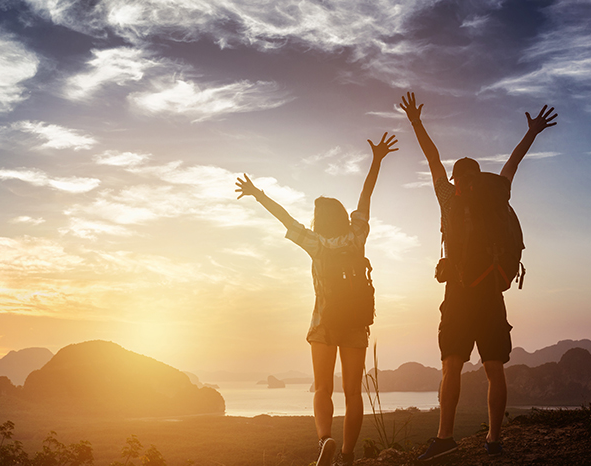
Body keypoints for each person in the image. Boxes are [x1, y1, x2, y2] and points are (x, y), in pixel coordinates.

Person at [398, 92, 557, 461]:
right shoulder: (496, 192)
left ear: (456, 180)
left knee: (451, 365)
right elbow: (513, 165)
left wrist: (416, 122)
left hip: (458, 291)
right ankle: (495, 440)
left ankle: (444, 437)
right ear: (478, 177)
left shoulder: (449, 198)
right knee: (494, 368)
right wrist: (532, 132)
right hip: (491, 289)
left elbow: (432, 158)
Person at [235, 133, 398, 466]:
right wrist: (377, 160)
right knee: (353, 393)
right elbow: (365, 197)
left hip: (323, 322)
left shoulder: (315, 243)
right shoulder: (356, 237)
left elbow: (283, 217)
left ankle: (325, 439)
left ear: (318, 219)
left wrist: (256, 194)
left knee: (322, 388)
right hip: (356, 322)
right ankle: (348, 457)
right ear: (341, 215)